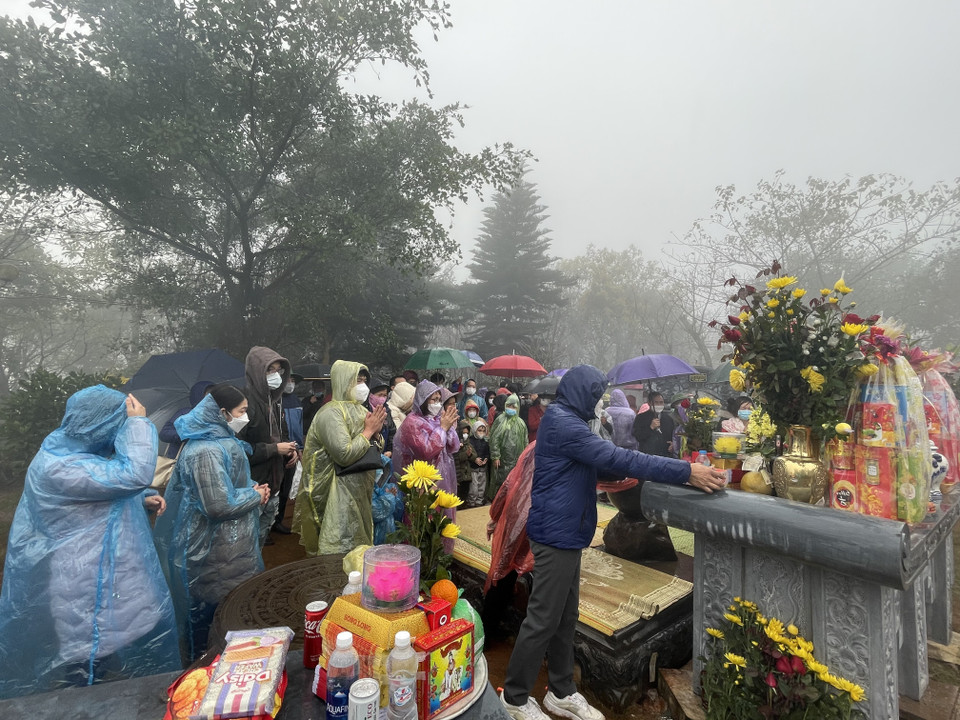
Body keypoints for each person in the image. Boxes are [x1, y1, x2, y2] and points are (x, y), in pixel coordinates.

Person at [499, 367, 728, 720]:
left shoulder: (566, 419)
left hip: (568, 532)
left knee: (565, 617)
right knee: (544, 618)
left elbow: (601, 464)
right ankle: (514, 697)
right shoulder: (564, 423)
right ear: (582, 393)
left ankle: (560, 691)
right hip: (556, 535)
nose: (599, 400)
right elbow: (620, 458)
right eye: (596, 393)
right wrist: (686, 471)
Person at [0, 387, 180, 698]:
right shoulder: (57, 465)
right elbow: (131, 475)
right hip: (82, 583)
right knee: (85, 659)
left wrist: (139, 500)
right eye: (118, 423)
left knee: (109, 649)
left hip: (106, 574)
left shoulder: (73, 455)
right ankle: (81, 704)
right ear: (98, 424)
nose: (120, 430)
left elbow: (100, 491)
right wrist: (138, 423)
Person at [153, 384, 270, 663]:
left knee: (233, 610)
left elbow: (232, 484)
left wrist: (253, 489)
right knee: (212, 616)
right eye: (241, 411)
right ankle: (204, 669)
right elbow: (217, 505)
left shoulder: (222, 440)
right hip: (213, 549)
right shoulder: (204, 450)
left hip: (233, 546)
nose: (246, 417)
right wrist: (253, 496)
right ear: (222, 413)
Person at [293, 360, 386, 555]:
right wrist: (369, 431)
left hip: (359, 487)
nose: (362, 386)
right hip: (334, 488)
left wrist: (376, 434)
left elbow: (376, 447)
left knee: (358, 538)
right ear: (343, 381)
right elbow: (344, 454)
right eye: (356, 381)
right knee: (336, 542)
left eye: (364, 381)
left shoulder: (361, 410)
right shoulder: (331, 412)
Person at [238, 346, 298, 546]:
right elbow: (238, 450)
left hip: (274, 481)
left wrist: (292, 451)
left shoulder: (275, 402)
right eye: (269, 370)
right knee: (247, 541)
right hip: (253, 485)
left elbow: (283, 434)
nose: (276, 376)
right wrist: (274, 449)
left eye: (278, 370)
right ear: (257, 371)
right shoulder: (244, 405)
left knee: (261, 537)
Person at [393, 379, 460, 549]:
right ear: (422, 400)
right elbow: (427, 450)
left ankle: (438, 556)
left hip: (443, 478)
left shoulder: (438, 419)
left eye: (439, 400)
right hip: (422, 482)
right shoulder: (412, 422)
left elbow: (454, 446)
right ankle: (421, 561)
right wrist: (443, 428)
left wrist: (449, 427)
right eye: (433, 400)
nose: (437, 404)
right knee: (422, 520)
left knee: (442, 519)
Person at [274, 375, 305, 535]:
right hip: (277, 449)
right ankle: (267, 525)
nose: (290, 384)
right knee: (274, 488)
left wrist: (298, 447)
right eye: (288, 380)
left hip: (293, 448)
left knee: (286, 488)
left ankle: (278, 520)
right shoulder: (275, 400)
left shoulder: (297, 401)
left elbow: (298, 426)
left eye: (293, 381)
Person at [487, 393, 527, 502]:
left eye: (514, 407)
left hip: (516, 460)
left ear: (518, 408)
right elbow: (494, 439)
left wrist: (524, 458)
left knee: (513, 482)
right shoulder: (500, 420)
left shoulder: (521, 423)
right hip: (502, 460)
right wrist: (496, 456)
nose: (511, 409)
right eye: (509, 406)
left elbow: (525, 441)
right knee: (500, 482)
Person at [158, 380, 214, 458]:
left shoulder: (219, 416)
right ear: (198, 397)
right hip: (180, 462)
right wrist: (187, 434)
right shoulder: (185, 414)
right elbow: (164, 434)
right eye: (208, 397)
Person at [633, 391, 675, 458]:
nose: (659, 405)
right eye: (656, 402)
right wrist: (650, 427)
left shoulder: (668, 418)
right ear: (649, 403)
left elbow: (672, 435)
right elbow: (638, 436)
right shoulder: (641, 418)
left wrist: (673, 445)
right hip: (647, 456)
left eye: (661, 402)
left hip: (665, 456)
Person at [465, 418, 490, 508]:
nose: (481, 432)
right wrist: (475, 459)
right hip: (473, 468)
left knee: (481, 486)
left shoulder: (485, 442)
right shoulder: (470, 441)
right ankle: (471, 502)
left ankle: (479, 501)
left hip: (482, 468)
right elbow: (469, 454)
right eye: (479, 430)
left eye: (483, 431)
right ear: (475, 430)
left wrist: (486, 459)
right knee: (473, 487)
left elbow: (487, 453)